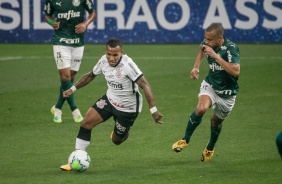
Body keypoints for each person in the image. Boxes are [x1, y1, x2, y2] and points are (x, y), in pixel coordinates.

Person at [60, 38, 163, 171]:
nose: (111, 58)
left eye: (115, 55)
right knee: (86, 123)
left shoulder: (127, 65)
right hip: (109, 100)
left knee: (116, 141)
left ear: (121, 53)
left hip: (127, 109)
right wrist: (72, 89)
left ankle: (123, 133)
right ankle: (76, 159)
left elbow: (145, 84)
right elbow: (90, 75)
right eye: (109, 54)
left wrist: (153, 110)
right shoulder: (103, 60)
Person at [172, 23, 240, 162]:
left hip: (227, 94)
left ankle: (210, 147)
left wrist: (216, 57)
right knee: (201, 108)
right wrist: (196, 67)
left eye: (210, 40)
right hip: (211, 85)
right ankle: (185, 139)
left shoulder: (231, 49)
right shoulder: (207, 44)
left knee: (215, 122)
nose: (206, 42)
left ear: (220, 39)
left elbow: (236, 71)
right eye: (205, 38)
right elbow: (202, 48)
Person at [44, 0, 96, 123]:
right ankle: (74, 109)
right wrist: (52, 22)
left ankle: (57, 106)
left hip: (78, 42)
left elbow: (92, 13)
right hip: (60, 41)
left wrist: (85, 23)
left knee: (71, 76)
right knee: (65, 75)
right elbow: (47, 16)